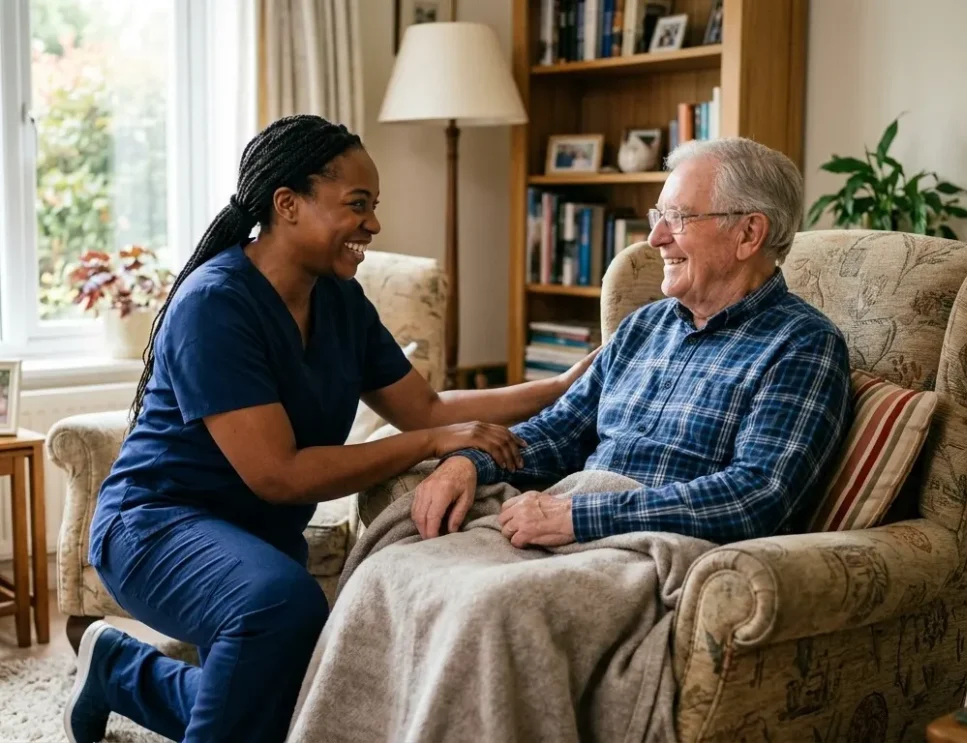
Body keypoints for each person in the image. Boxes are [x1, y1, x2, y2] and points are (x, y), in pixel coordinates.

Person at [64, 115, 594, 743]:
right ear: (287, 205)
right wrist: (428, 445)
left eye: (374, 206)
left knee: (300, 707)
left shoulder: (341, 300)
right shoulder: (216, 304)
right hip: (155, 526)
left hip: (256, 538)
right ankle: (125, 669)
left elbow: (424, 408)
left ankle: (118, 669)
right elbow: (278, 473)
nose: (373, 224)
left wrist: (563, 387)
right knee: (279, 609)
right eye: (357, 205)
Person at [412, 136, 854, 549]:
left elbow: (753, 497)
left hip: (650, 546)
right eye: (657, 216)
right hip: (568, 525)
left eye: (678, 218)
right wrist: (469, 461)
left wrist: (577, 517)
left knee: (475, 605)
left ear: (749, 234)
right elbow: (558, 431)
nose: (655, 238)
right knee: (405, 568)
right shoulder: (643, 327)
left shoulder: (802, 345)